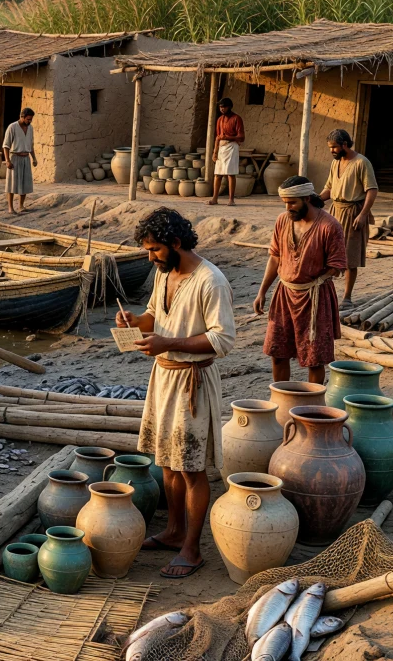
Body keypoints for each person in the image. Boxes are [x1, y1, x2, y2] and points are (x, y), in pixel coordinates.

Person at [115, 207, 236, 578]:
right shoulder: (163, 272)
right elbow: (155, 312)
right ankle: (173, 530)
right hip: (163, 377)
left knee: (191, 468)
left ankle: (192, 548)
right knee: (166, 462)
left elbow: (223, 339)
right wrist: (136, 321)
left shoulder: (210, 281)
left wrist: (170, 341)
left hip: (191, 383)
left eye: (154, 250)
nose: (150, 257)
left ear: (176, 243)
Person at [255, 176, 347, 385]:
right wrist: (262, 291)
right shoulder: (282, 220)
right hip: (284, 295)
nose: (288, 208)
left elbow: (337, 266)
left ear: (307, 198)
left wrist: (309, 273)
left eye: (293, 203)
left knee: (315, 359)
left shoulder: (330, 226)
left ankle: (312, 410)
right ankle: (282, 401)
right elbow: (275, 257)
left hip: (315, 299)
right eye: (285, 203)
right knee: (277, 353)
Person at [319, 129, 379, 303]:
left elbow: (372, 190)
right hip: (335, 211)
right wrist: (314, 199)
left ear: (345, 144)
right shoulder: (335, 163)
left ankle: (347, 297)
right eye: (330, 147)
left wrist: (363, 215)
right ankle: (326, 294)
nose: (331, 151)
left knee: (349, 258)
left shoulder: (361, 162)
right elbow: (329, 188)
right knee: (328, 254)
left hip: (353, 213)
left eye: (334, 147)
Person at [208, 97, 244, 206]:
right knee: (218, 174)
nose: (222, 109)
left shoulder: (237, 118)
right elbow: (218, 137)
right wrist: (215, 152)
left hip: (232, 146)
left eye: (224, 107)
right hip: (221, 147)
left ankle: (231, 199)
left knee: (230, 174)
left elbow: (241, 137)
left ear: (229, 107)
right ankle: (215, 198)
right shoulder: (219, 120)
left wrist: (228, 137)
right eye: (220, 107)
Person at [2, 107, 37, 214]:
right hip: (15, 158)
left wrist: (34, 158)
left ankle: (21, 206)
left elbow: (31, 145)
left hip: (26, 158)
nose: (29, 121)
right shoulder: (12, 127)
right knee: (12, 183)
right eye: (28, 119)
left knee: (25, 182)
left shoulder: (30, 128)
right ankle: (10, 208)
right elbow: (6, 145)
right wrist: (7, 160)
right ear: (22, 117)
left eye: (31, 119)